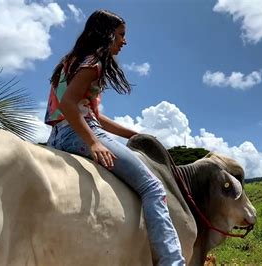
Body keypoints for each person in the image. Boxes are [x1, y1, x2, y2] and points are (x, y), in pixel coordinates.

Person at [44, 9, 185, 265]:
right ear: (107, 34)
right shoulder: (93, 65)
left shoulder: (70, 62)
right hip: (77, 133)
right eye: (121, 35)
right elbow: (68, 105)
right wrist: (93, 142)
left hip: (57, 135)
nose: (124, 41)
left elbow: (89, 113)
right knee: (153, 187)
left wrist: (136, 134)